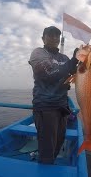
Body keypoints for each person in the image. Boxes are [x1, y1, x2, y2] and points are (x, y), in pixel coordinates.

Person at [28, 26, 79, 164]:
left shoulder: (64, 58)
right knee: (47, 147)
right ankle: (45, 166)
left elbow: (73, 73)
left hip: (62, 107)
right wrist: (73, 61)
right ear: (43, 38)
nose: (54, 38)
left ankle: (51, 163)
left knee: (59, 141)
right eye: (50, 35)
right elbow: (48, 72)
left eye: (57, 35)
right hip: (45, 107)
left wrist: (87, 60)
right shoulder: (38, 53)